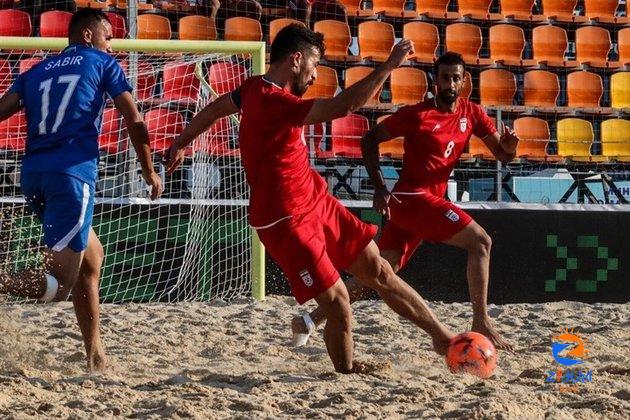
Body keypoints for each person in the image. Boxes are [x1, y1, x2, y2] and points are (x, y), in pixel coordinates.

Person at [166, 24, 456, 373]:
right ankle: (346, 373)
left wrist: (182, 141)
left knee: (378, 269)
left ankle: (443, 338)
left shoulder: (253, 88)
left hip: (315, 200)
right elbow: (345, 106)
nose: (315, 75)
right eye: (314, 66)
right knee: (339, 305)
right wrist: (389, 66)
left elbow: (214, 109)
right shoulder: (275, 101)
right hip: (285, 221)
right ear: (296, 59)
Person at [291, 52, 518, 351]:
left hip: (427, 201)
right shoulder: (417, 114)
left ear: (464, 82)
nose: (450, 83)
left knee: (382, 270)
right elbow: (369, 139)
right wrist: (379, 186)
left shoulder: (472, 113)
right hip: (411, 197)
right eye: (445, 78)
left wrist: (510, 148)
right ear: (435, 82)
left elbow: (502, 155)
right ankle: (481, 320)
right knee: (481, 242)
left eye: (456, 78)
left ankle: (309, 320)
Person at [0, 8, 163, 372]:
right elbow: (135, 120)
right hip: (72, 176)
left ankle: (95, 355)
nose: (112, 43)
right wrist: (149, 169)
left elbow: (1, 110)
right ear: (88, 36)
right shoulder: (103, 64)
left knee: (91, 258)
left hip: (33, 176)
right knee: (58, 286)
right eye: (108, 35)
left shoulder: (36, 71)